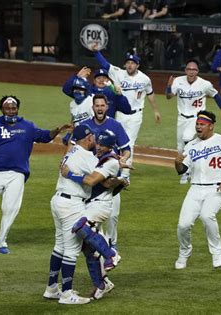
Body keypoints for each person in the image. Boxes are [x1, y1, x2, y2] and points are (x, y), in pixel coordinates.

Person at [0, 95, 70, 254]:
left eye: (13, 108)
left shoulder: (27, 126)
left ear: (17, 109)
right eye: (7, 108)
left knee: (10, 208)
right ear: (2, 109)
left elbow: (44, 136)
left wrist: (58, 129)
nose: (11, 111)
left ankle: (1, 242)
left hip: (17, 173)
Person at [42, 124, 118, 304]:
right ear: (88, 138)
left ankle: (52, 288)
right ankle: (67, 294)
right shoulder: (86, 157)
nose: (94, 139)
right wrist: (119, 177)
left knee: (59, 246)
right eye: (92, 136)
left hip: (58, 201)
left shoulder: (72, 151)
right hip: (71, 205)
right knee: (71, 250)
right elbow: (102, 181)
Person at [60, 128, 128, 300]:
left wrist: (70, 174)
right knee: (87, 248)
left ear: (110, 146)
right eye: (98, 143)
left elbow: (91, 180)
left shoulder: (111, 161)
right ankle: (102, 284)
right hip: (90, 204)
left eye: (103, 146)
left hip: (101, 205)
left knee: (81, 227)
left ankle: (111, 254)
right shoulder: (100, 157)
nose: (98, 147)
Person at [174, 110, 221, 270]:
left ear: (211, 126)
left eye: (202, 125)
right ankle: (184, 252)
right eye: (197, 124)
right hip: (195, 189)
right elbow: (182, 170)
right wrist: (177, 163)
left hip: (217, 189)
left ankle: (217, 253)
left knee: (207, 216)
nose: (198, 127)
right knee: (183, 225)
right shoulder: (191, 145)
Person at [93, 46, 161, 180]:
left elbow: (150, 94)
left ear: (138, 65)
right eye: (128, 63)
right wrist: (96, 52)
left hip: (136, 115)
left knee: (128, 144)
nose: (130, 65)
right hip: (120, 114)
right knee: (117, 141)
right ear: (125, 64)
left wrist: (156, 110)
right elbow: (105, 65)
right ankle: (115, 168)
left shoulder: (145, 79)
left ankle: (125, 175)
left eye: (133, 63)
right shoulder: (118, 73)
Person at [167, 59, 221, 184]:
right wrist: (168, 86)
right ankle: (185, 169)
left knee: (187, 137)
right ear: (185, 70)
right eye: (189, 69)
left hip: (197, 118)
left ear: (197, 71)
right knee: (180, 148)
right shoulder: (178, 81)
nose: (191, 72)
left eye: (194, 69)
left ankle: (188, 171)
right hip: (181, 118)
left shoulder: (204, 84)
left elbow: (215, 95)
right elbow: (169, 96)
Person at [82, 94, 131, 250]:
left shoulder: (115, 125)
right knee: (91, 215)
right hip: (91, 176)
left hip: (110, 175)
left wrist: (123, 160)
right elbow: (75, 147)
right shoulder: (85, 126)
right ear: (93, 108)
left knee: (113, 215)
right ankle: (98, 242)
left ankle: (112, 243)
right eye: (97, 106)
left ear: (107, 107)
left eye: (102, 105)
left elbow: (126, 149)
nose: (100, 108)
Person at [62, 67, 133, 119]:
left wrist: (120, 96)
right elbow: (66, 90)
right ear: (94, 80)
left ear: (108, 80)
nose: (101, 80)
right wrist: (77, 77)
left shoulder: (113, 94)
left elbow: (127, 110)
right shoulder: (87, 91)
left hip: (107, 128)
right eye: (99, 78)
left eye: (104, 78)